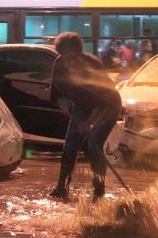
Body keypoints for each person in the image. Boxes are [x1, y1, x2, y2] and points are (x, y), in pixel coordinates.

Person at [49, 32, 122, 201]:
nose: (70, 63)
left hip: (108, 106)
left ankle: (99, 191)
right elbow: (55, 94)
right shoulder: (60, 63)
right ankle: (62, 187)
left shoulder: (92, 66)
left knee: (93, 145)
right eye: (66, 58)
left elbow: (103, 102)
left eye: (73, 58)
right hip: (82, 106)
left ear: (79, 53)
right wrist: (65, 104)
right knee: (70, 147)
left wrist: (89, 122)